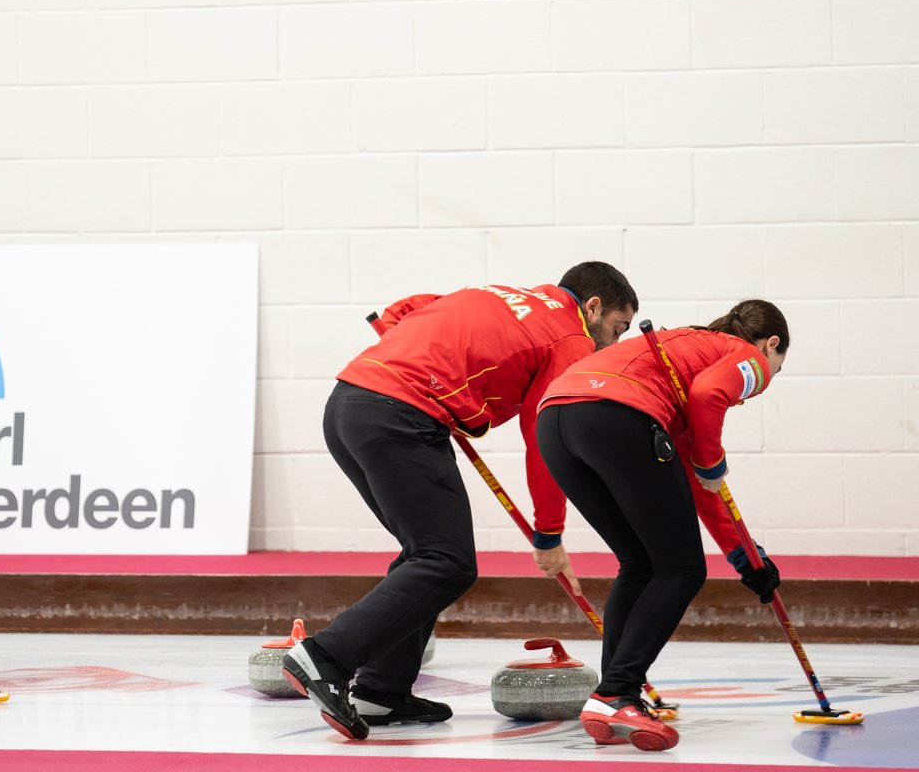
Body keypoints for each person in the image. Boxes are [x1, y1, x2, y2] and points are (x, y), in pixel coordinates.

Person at [283, 262, 640, 740]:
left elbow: (405, 309)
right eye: (617, 329)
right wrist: (549, 531)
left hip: (349, 404)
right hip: (398, 417)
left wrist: (414, 354)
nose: (611, 345)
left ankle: (381, 693)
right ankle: (324, 654)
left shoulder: (503, 293)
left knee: (425, 553)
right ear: (593, 307)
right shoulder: (569, 337)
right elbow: (545, 439)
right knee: (446, 560)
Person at [536, 299, 789, 752]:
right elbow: (713, 399)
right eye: (778, 365)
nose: (767, 379)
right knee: (682, 570)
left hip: (556, 418)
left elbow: (695, 481)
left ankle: (610, 696)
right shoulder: (748, 357)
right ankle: (616, 692)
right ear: (772, 344)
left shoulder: (683, 351)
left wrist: (744, 556)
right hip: (617, 415)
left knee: (640, 563)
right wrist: (713, 460)